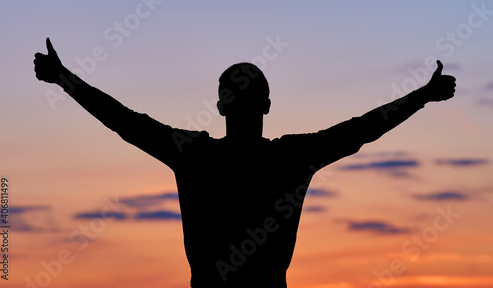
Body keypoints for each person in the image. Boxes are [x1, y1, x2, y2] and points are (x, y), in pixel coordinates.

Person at [34, 38, 456, 288]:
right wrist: (421, 95)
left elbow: (123, 121)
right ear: (268, 106)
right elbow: (363, 128)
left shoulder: (194, 154)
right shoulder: (291, 158)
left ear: (219, 106)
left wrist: (63, 78)